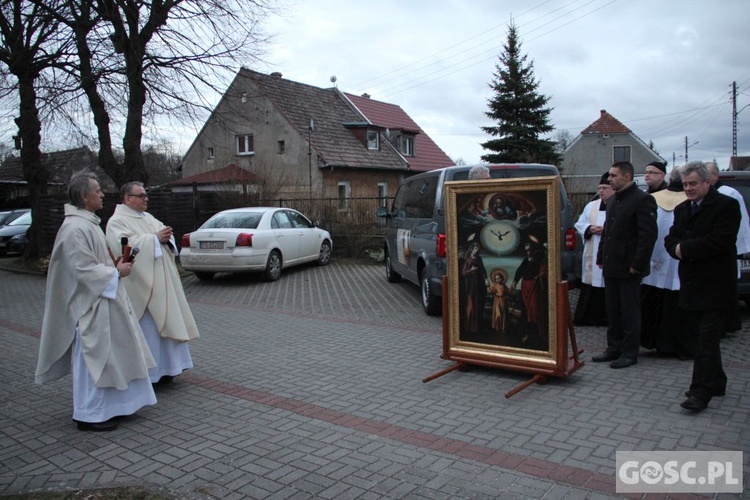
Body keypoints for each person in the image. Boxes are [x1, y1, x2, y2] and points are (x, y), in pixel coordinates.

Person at [35, 171, 156, 432]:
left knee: (113, 356)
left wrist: (115, 266)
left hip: (105, 300)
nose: (102, 194)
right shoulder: (74, 229)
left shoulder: (88, 223)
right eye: (98, 190)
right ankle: (90, 413)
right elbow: (80, 270)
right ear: (83, 195)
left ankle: (115, 407)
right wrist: (115, 273)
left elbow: (93, 262)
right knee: (95, 359)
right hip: (91, 306)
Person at [106, 181, 199, 385]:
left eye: (146, 195)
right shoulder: (117, 222)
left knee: (167, 324)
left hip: (162, 283)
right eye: (141, 196)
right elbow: (123, 246)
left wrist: (165, 237)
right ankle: (153, 373)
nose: (145, 198)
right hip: (143, 286)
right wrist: (154, 239)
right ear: (127, 198)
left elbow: (163, 234)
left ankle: (170, 368)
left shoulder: (147, 217)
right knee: (150, 330)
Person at [665, 161, 740, 412]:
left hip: (717, 285)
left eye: (694, 183)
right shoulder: (683, 209)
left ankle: (700, 393)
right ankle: (717, 381)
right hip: (692, 283)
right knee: (703, 338)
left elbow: (719, 240)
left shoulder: (726, 206)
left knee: (706, 341)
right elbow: (671, 237)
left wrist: (684, 248)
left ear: (709, 182)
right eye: (685, 184)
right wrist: (677, 247)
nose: (689, 188)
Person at [593, 161, 658, 369]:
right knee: (612, 310)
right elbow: (608, 231)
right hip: (611, 265)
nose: (609, 179)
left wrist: (637, 264)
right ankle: (614, 348)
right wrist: (601, 256)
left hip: (629, 267)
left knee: (629, 311)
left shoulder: (642, 200)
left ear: (627, 176)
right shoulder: (613, 200)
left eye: (613, 176)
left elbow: (647, 236)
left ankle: (630, 352)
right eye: (609, 176)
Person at [640, 167, 696, 358]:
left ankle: (654, 341)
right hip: (677, 255)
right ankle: (679, 345)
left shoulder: (655, 198)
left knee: (657, 300)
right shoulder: (691, 202)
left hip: (660, 256)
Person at [706, 161, 750, 333]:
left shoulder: (729, 193)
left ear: (715, 176)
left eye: (707, 174)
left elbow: (740, 223)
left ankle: (728, 324)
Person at [573, 172, 613, 326]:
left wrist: (606, 230)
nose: (601, 191)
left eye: (605, 187)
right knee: (591, 284)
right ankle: (588, 317)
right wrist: (589, 228)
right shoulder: (591, 206)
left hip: (609, 250)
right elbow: (580, 223)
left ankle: (607, 318)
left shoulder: (618, 204)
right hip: (593, 247)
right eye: (599, 188)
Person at [462, 242, 488, 335]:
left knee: (477, 306)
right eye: (476, 249)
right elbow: (464, 273)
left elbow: (482, 270)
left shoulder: (479, 259)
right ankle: (468, 327)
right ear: (472, 249)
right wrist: (471, 270)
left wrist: (485, 279)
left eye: (478, 249)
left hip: (478, 285)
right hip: (470, 285)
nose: (477, 251)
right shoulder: (468, 260)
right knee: (471, 306)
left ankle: (475, 329)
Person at [488, 269, 509, 334]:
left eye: (499, 278)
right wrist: (487, 286)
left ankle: (502, 328)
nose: (498, 280)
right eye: (496, 279)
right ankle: (497, 327)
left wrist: (512, 287)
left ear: (502, 278)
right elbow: (490, 291)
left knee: (503, 314)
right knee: (498, 314)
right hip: (497, 300)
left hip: (503, 301)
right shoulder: (494, 285)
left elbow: (508, 291)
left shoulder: (503, 285)